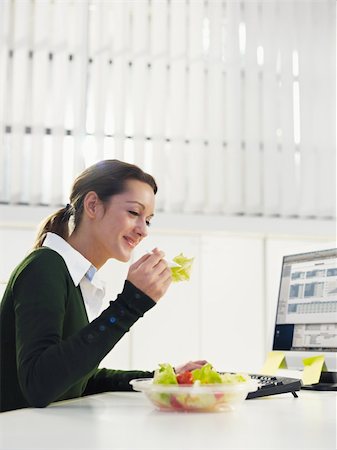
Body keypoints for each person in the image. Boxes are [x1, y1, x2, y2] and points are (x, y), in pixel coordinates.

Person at [0, 159, 205, 412]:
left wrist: (165, 378)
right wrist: (131, 304)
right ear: (93, 205)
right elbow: (40, 384)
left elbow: (79, 378)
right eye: (133, 213)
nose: (143, 230)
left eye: (148, 220)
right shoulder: (44, 266)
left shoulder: (74, 277)